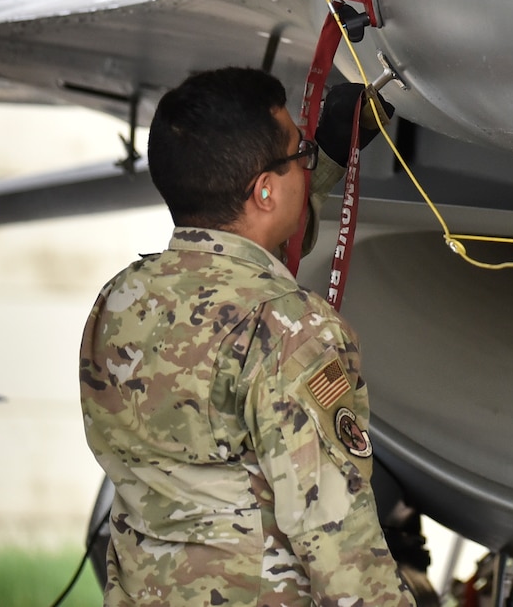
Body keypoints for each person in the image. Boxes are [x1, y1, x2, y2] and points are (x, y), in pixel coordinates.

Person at [79, 66, 417, 607]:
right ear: (263, 189)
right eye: (299, 154)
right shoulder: (293, 329)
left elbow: (242, 254)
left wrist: (323, 157)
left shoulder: (119, 302)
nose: (306, 163)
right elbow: (335, 537)